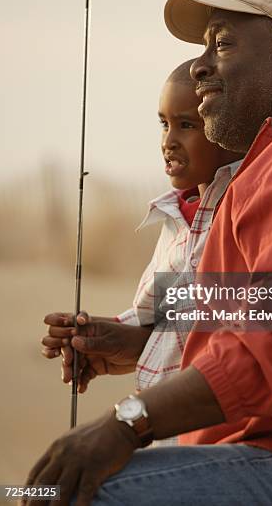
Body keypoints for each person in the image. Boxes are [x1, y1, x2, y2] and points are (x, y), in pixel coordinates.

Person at [23, 0, 272, 506]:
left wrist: (126, 420)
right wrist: (142, 341)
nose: (199, 66)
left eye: (221, 45)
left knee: (64, 493)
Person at [40, 59, 242, 415]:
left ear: (230, 132)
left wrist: (139, 341)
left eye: (186, 125)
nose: (169, 141)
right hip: (162, 423)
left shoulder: (245, 211)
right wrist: (102, 334)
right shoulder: (173, 220)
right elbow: (163, 313)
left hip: (215, 430)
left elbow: (243, 324)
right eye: (164, 124)